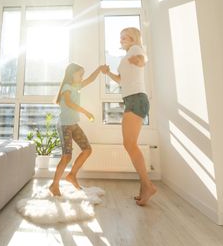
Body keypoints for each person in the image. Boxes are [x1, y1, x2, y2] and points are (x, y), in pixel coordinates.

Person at [104, 27, 157, 206]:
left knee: (129, 144)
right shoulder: (125, 56)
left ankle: (148, 185)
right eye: (120, 37)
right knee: (130, 144)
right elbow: (121, 80)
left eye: (125, 36)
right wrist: (108, 73)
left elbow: (142, 60)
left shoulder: (135, 49)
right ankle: (144, 188)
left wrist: (140, 60)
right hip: (132, 99)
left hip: (136, 99)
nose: (121, 39)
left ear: (134, 37)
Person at [49, 63, 107, 196]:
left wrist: (99, 69)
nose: (82, 77)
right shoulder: (67, 87)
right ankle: (54, 185)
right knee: (66, 156)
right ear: (72, 74)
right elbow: (69, 103)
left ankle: (72, 175)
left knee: (87, 150)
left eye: (82, 75)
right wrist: (86, 112)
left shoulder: (76, 86)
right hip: (64, 125)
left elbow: (91, 79)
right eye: (80, 74)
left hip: (73, 124)